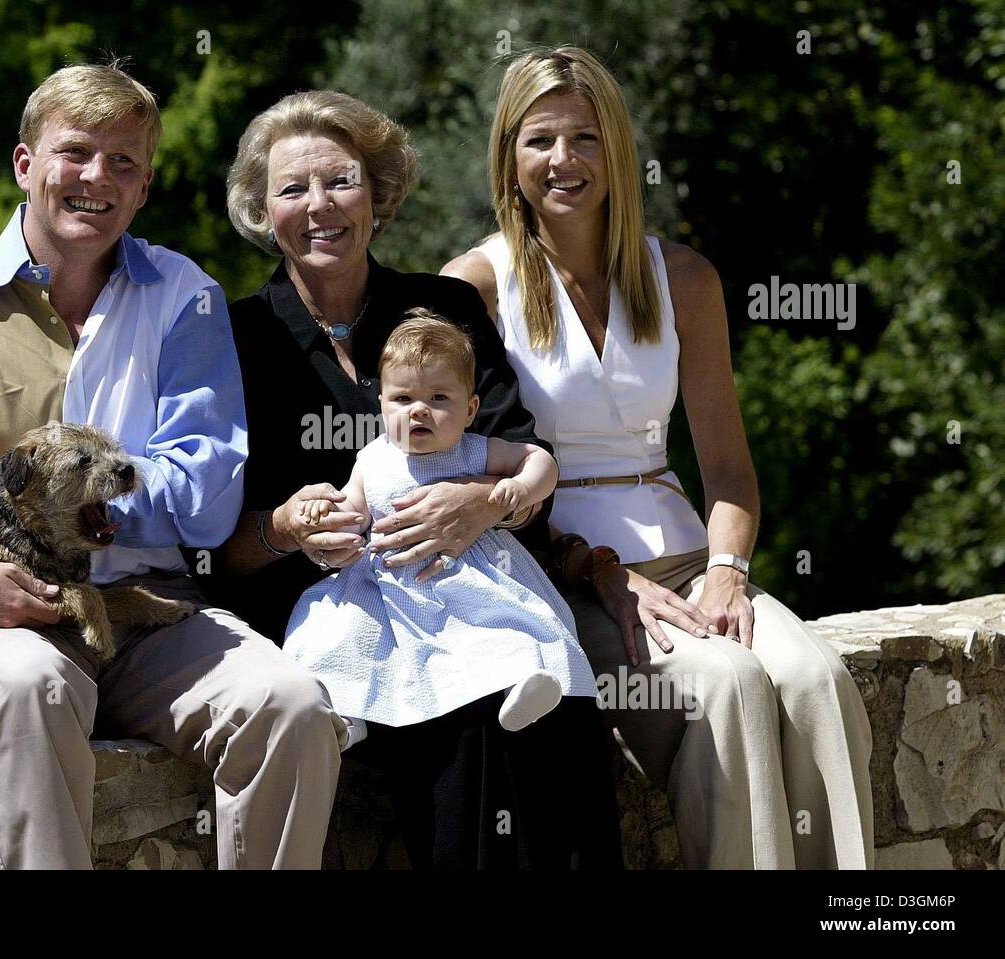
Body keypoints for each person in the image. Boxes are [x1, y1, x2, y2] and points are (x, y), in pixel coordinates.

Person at [0, 61, 344, 870]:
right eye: (75, 152)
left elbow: (210, 494)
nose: (97, 177)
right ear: (25, 164)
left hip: (145, 615)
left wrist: (40, 491)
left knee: (290, 705)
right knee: (27, 686)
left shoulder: (185, 297)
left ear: (146, 185)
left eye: (124, 161)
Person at [443, 46, 874, 869]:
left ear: (618, 149)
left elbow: (731, 471)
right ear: (509, 155)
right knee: (730, 687)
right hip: (571, 584)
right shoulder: (474, 286)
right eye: (539, 141)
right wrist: (600, 572)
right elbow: (462, 479)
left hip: (688, 561)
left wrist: (726, 572)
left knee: (818, 681)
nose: (563, 161)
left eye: (585, 137)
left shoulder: (684, 277)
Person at [207, 89, 622, 869]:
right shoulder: (233, 338)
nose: (320, 206)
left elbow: (525, 463)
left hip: (478, 592)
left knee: (554, 701)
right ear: (263, 210)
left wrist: (482, 503)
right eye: (293, 188)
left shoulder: (445, 307)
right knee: (467, 723)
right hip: (338, 621)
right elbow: (210, 546)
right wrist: (285, 528)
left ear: (379, 192)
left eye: (341, 181)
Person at [283, 312, 599, 745]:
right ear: (382, 405)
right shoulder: (371, 460)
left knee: (499, 624)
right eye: (402, 398)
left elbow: (540, 460)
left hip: (470, 574)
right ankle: (346, 713)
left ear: (470, 409)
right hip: (390, 584)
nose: (419, 410)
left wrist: (521, 486)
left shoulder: (476, 451)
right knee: (337, 633)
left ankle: (524, 682)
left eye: (438, 398)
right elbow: (353, 514)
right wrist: (329, 520)